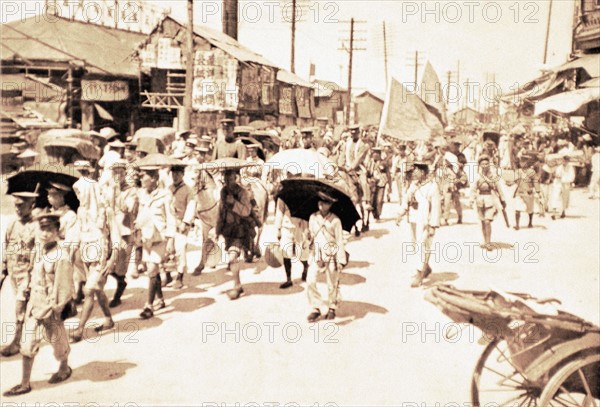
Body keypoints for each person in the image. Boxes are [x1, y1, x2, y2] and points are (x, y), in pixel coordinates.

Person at [3, 214, 73, 397]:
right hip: (35, 306)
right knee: (27, 346)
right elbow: (32, 276)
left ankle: (64, 368)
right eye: (42, 229)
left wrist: (58, 308)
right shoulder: (39, 251)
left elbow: (63, 286)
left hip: (51, 309)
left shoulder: (61, 256)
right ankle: (24, 383)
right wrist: (24, 296)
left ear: (58, 232)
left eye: (50, 229)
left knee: (58, 343)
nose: (45, 233)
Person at [0, 190, 39, 357]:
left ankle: (17, 340)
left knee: (20, 305)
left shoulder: (36, 225)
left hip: (28, 273)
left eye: (21, 206)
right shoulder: (12, 223)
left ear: (32, 206)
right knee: (24, 306)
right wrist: (3, 268)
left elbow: (39, 250)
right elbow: (7, 244)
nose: (18, 209)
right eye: (16, 205)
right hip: (13, 271)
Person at [135, 166, 176, 319]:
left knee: (152, 268)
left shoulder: (165, 195)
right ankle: (160, 299)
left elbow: (171, 218)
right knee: (153, 270)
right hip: (147, 237)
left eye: (143, 176)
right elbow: (140, 214)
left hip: (161, 238)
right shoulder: (141, 195)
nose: (141, 179)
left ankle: (149, 305)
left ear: (153, 178)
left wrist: (171, 239)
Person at [397, 163, 441, 287]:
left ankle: (419, 274)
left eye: (417, 169)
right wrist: (400, 213)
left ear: (423, 172)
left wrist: (433, 225)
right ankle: (425, 267)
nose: (414, 172)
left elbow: (436, 207)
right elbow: (407, 199)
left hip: (425, 221)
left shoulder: (433, 186)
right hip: (413, 218)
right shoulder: (414, 185)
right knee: (416, 245)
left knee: (423, 245)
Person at [305, 191, 347, 322]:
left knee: (331, 283)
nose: (322, 205)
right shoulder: (312, 217)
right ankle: (316, 307)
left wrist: (341, 260)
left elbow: (339, 240)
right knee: (310, 280)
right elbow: (311, 234)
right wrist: (308, 236)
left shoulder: (335, 220)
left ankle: (332, 307)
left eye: (325, 202)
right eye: (320, 202)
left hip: (331, 254)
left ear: (330, 205)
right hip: (316, 254)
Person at [216, 169, 255, 300]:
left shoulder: (242, 192)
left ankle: (236, 286)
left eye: (230, 178)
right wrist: (217, 229)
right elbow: (220, 210)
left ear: (235, 177)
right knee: (231, 257)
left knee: (232, 257)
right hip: (228, 229)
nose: (228, 181)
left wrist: (234, 203)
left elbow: (246, 211)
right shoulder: (223, 191)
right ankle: (238, 284)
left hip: (240, 229)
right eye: (225, 178)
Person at [108, 159, 139, 307]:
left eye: (120, 172)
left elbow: (127, 209)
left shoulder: (131, 191)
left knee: (120, 267)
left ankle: (119, 291)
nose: (117, 175)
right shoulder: (109, 188)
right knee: (104, 263)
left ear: (125, 174)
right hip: (109, 230)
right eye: (115, 173)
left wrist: (118, 192)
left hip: (124, 231)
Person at [167, 164, 197, 289]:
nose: (175, 176)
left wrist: (185, 222)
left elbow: (191, 206)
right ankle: (167, 275)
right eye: (173, 174)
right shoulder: (168, 189)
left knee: (180, 249)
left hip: (181, 223)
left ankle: (179, 277)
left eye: (178, 174)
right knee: (167, 250)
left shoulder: (188, 190)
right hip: (169, 222)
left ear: (182, 175)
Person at [470, 155, 506, 250]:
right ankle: (485, 241)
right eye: (483, 164)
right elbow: (473, 189)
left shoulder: (493, 176)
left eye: (486, 163)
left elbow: (499, 188)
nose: (485, 166)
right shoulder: (477, 176)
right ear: (480, 165)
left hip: (490, 199)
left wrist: (503, 199)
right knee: (482, 222)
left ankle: (488, 242)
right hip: (480, 200)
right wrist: (471, 200)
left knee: (487, 221)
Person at [274, 194, 310, 289]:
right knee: (286, 254)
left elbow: (306, 214)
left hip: (300, 226)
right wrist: (278, 229)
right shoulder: (282, 196)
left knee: (301, 253)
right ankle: (288, 279)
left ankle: (306, 267)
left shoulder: (303, 196)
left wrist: (307, 229)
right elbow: (279, 212)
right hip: (286, 227)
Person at [345, 125, 372, 213]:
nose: (353, 135)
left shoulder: (363, 145)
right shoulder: (347, 143)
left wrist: (351, 167)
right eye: (351, 133)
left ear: (358, 133)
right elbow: (343, 155)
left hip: (359, 169)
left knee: (364, 182)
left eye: (355, 133)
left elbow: (359, 159)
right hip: (347, 168)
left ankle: (366, 201)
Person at [513, 155, 543, 230]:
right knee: (517, 208)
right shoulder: (517, 171)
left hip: (528, 192)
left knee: (530, 209)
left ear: (528, 163)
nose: (522, 163)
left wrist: (538, 191)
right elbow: (514, 181)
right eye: (521, 162)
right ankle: (517, 225)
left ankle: (530, 222)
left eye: (524, 162)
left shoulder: (531, 172)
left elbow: (535, 182)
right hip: (519, 193)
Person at [549, 154, 576, 220]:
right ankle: (554, 212)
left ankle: (563, 211)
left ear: (567, 161)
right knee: (555, 197)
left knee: (564, 199)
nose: (564, 162)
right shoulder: (559, 167)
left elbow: (572, 177)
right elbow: (556, 174)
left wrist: (563, 178)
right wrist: (557, 176)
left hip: (566, 184)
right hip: (558, 184)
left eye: (566, 161)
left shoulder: (571, 168)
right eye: (563, 160)